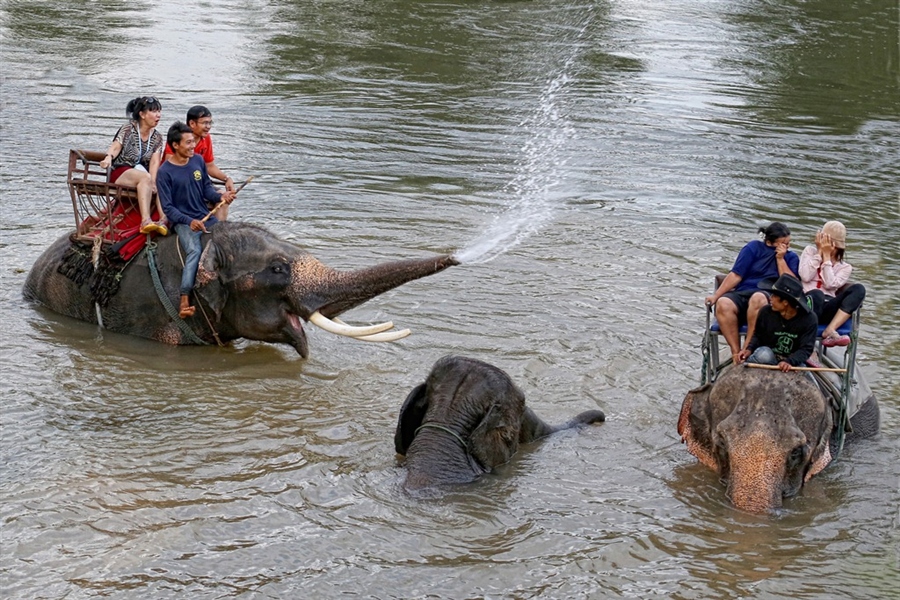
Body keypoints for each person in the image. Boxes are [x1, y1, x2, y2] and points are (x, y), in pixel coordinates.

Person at [157, 122, 236, 318]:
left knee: (228, 239)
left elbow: (206, 189)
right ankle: (184, 298)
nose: (193, 146)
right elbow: (168, 208)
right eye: (188, 143)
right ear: (175, 145)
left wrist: (221, 197)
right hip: (183, 223)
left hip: (204, 217)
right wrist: (189, 221)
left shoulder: (198, 161)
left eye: (193, 142)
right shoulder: (164, 172)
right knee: (194, 250)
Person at [705, 222, 801, 363]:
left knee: (758, 298)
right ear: (770, 242)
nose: (787, 247)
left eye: (788, 243)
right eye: (783, 243)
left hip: (768, 295)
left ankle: (747, 349)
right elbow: (736, 275)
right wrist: (716, 296)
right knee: (723, 303)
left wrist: (780, 259)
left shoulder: (791, 257)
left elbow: (790, 283)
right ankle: (735, 352)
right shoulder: (753, 248)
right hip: (744, 292)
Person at [99, 96, 168, 236]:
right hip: (122, 171)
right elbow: (116, 147)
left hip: (144, 173)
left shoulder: (157, 137)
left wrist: (154, 182)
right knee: (145, 178)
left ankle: (163, 219)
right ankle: (145, 221)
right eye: (154, 111)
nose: (158, 115)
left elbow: (155, 162)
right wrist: (108, 157)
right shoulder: (128, 129)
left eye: (159, 111)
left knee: (161, 179)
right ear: (142, 114)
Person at [798, 220, 866, 347]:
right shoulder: (810, 252)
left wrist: (827, 258)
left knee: (859, 289)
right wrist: (819, 253)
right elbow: (805, 276)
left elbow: (829, 284)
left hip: (828, 306)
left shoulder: (845, 267)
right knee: (817, 294)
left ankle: (830, 329)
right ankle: (808, 345)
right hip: (807, 303)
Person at [165, 105, 236, 220]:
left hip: (198, 182)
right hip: (181, 185)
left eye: (210, 123)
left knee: (223, 198)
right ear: (192, 123)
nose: (208, 127)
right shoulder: (178, 138)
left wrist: (226, 178)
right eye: (204, 123)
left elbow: (209, 166)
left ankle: (219, 228)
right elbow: (170, 165)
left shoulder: (206, 139)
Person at [738, 274, 818, 372]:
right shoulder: (765, 312)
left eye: (774, 296)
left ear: (785, 302)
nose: (770, 298)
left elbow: (806, 349)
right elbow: (758, 335)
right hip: (768, 354)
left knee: (803, 371)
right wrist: (749, 349)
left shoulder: (809, 319)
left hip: (792, 358)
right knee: (763, 355)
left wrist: (790, 362)